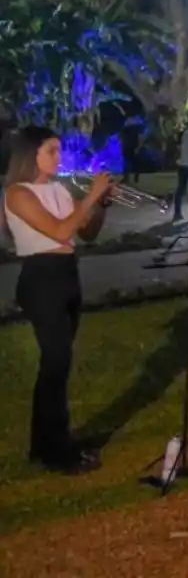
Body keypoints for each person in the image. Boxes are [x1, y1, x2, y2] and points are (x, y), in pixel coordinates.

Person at [2, 126, 113, 474]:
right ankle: (58, 450)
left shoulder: (59, 189)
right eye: (52, 150)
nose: (59, 157)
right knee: (57, 361)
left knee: (57, 366)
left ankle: (44, 443)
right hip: (41, 279)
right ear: (30, 154)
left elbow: (86, 233)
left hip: (66, 274)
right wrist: (92, 196)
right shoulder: (17, 194)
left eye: (59, 150)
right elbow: (59, 231)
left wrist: (103, 204)